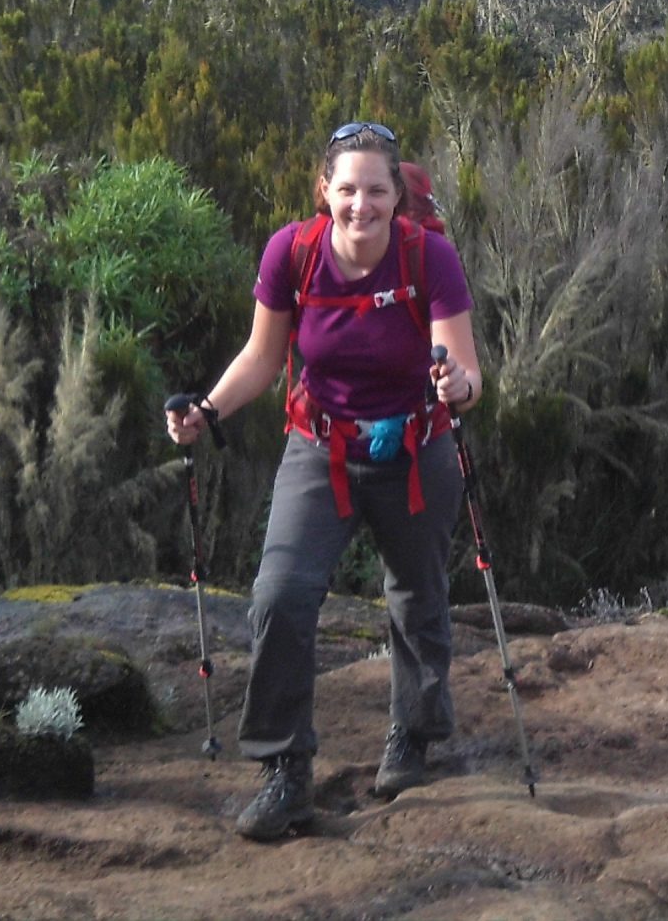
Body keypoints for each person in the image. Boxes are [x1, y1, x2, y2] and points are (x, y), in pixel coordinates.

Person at [165, 122, 484, 841]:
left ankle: (413, 737)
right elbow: (261, 355)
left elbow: (467, 379)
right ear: (324, 193)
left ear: (397, 194)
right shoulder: (294, 253)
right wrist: (207, 411)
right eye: (347, 190)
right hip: (321, 448)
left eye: (376, 191)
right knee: (282, 591)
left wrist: (456, 382)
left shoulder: (428, 256)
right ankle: (285, 770)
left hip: (415, 447)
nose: (361, 206)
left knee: (418, 594)